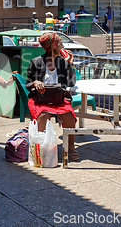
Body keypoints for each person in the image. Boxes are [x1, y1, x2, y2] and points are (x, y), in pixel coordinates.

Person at [25, 32, 79, 161]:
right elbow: (27, 84)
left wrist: (70, 64)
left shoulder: (62, 62)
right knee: (43, 115)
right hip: (41, 99)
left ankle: (70, 148)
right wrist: (35, 82)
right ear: (52, 46)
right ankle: (42, 148)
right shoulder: (36, 62)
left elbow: (71, 83)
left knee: (69, 116)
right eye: (60, 43)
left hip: (58, 99)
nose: (62, 45)